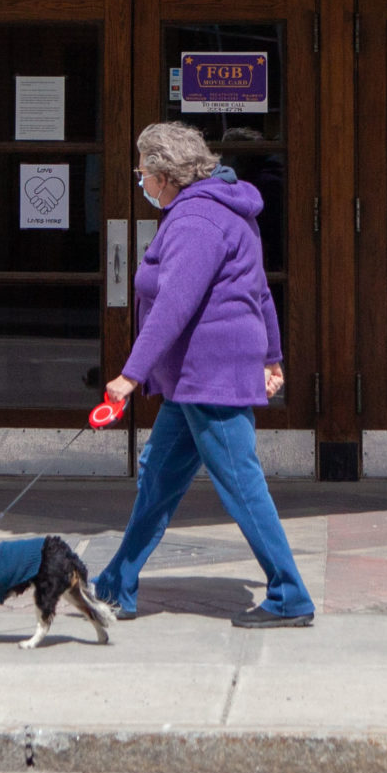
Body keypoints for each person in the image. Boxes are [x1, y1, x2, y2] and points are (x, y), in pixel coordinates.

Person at [92, 121, 315, 630]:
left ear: (165, 175)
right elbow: (259, 290)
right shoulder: (226, 207)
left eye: (142, 173)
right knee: (158, 476)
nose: (141, 182)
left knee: (240, 482)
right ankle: (116, 585)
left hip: (208, 375)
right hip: (195, 379)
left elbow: (174, 305)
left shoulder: (196, 220)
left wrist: (130, 376)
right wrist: (271, 355)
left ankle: (289, 595)